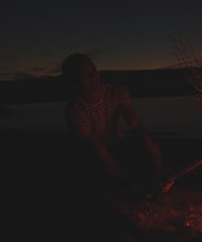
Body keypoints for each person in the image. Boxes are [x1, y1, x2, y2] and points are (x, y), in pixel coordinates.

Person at [61, 52, 164, 203]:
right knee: (111, 182)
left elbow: (135, 126)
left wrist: (151, 150)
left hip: (118, 145)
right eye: (87, 76)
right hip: (93, 156)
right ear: (74, 82)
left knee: (151, 150)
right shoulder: (76, 110)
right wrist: (129, 182)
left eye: (94, 71)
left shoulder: (117, 92)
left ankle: (154, 184)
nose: (94, 78)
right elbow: (101, 151)